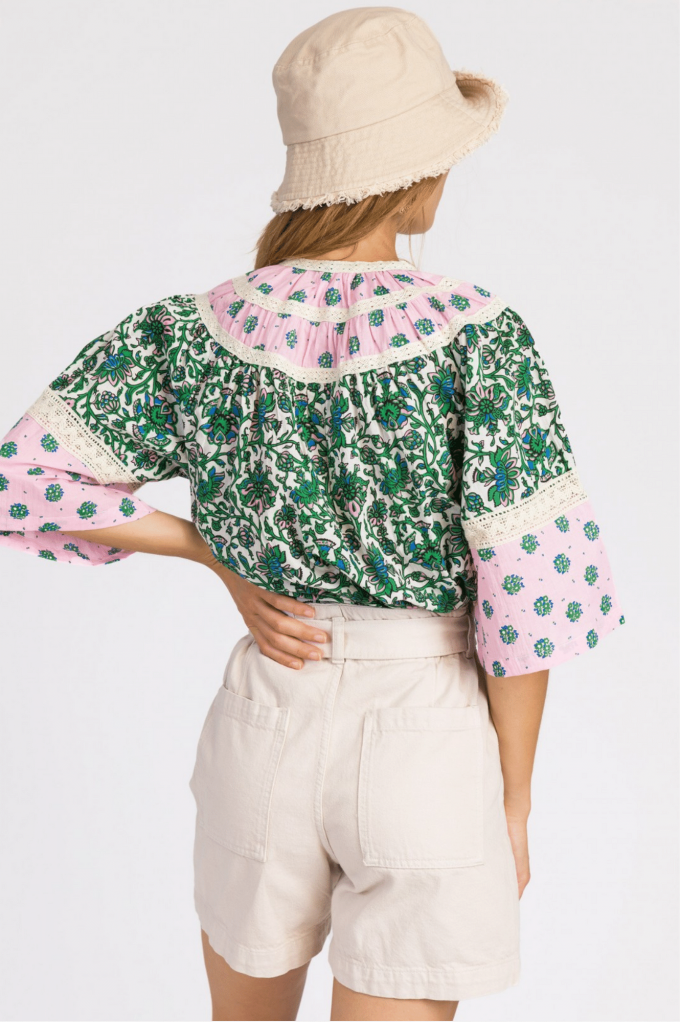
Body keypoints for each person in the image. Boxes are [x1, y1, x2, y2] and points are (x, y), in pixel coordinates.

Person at [0, 7, 626, 1022]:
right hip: (423, 729)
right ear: (413, 176)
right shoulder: (480, 336)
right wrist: (512, 798)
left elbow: (21, 479)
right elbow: (526, 590)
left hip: (265, 718)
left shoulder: (191, 332)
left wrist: (211, 552)